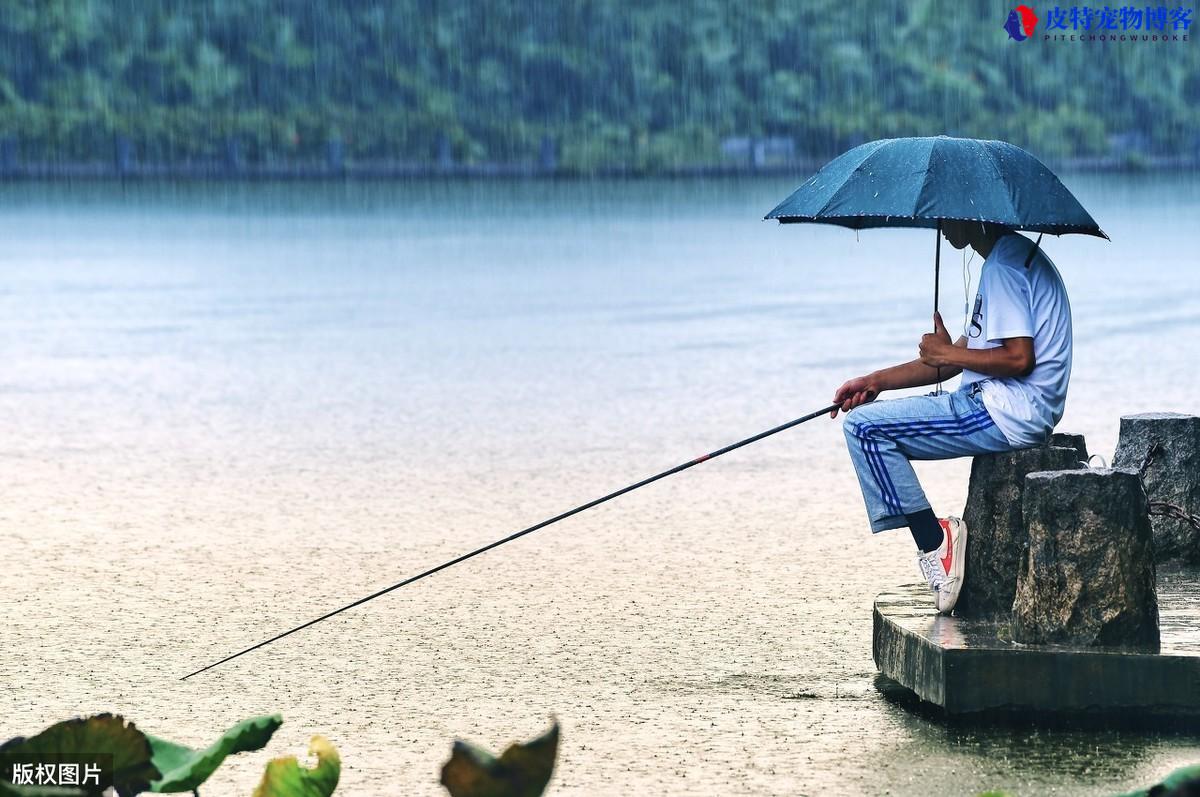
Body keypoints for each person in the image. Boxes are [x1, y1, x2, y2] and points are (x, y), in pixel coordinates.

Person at [831, 221, 1072, 614]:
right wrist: (874, 381)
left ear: (976, 215)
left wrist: (949, 355)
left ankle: (936, 542)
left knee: (864, 429)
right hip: (1005, 406)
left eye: (950, 213)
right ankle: (936, 541)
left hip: (1003, 411)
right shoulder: (1008, 257)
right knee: (867, 423)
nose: (941, 223)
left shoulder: (1005, 267)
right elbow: (957, 359)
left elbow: (1018, 358)